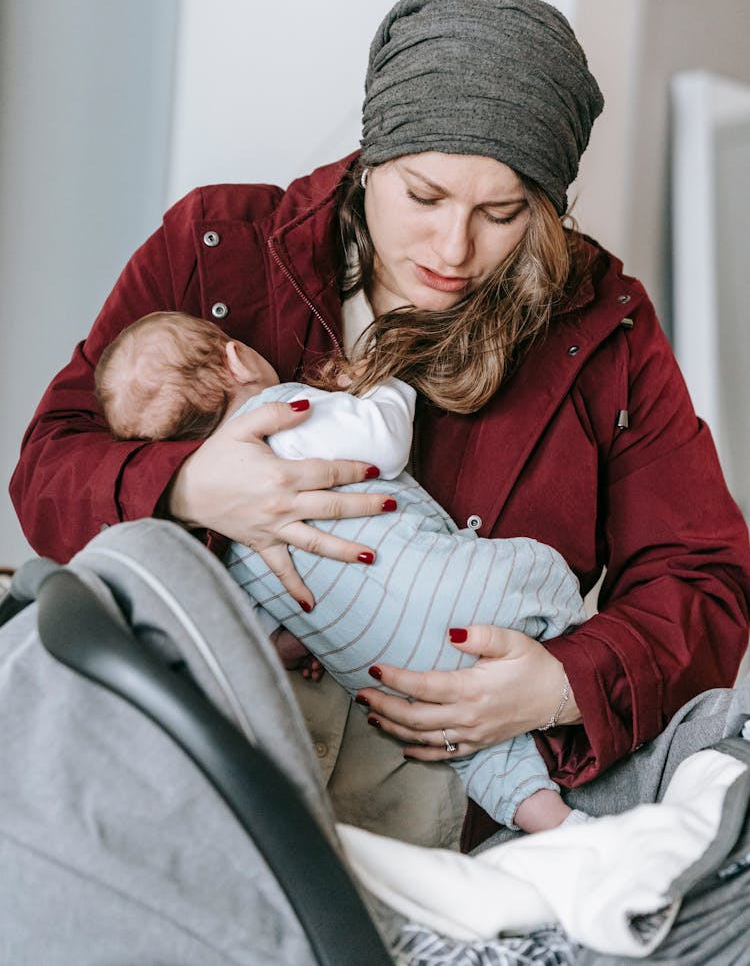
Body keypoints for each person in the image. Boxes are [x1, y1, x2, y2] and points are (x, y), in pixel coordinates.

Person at [11, 0, 750, 853]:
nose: (452, 249)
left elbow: (703, 574)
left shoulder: (602, 325)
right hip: (216, 780)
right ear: (371, 158)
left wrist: (559, 684)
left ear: (546, 208)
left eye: (502, 213)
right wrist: (189, 484)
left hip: (459, 817)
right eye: (424, 196)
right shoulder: (216, 247)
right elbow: (48, 469)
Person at [94, 309, 588, 832]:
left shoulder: (221, 529)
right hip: (457, 595)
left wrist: (303, 642)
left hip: (390, 681)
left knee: (469, 747)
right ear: (237, 359)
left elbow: (257, 632)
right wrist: (381, 383)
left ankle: (556, 828)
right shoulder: (281, 409)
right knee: (542, 568)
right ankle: (571, 641)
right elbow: (384, 440)